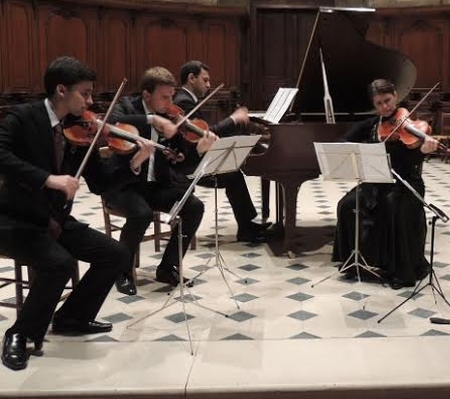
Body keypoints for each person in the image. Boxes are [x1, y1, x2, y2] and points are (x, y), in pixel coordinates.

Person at [0, 56, 134, 371]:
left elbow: (100, 184)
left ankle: (72, 318)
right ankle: (20, 333)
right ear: (61, 90)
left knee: (116, 254)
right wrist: (47, 179)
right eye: (85, 93)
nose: (90, 102)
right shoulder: (23, 117)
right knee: (59, 263)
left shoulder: (78, 131)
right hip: (16, 220)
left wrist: (133, 164)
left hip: (55, 219)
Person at [103, 66, 217, 295]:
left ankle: (167, 267)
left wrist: (199, 151)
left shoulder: (171, 118)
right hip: (123, 186)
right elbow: (109, 123)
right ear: (147, 95)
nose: (170, 103)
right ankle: (122, 271)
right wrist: (151, 119)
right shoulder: (127, 106)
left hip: (155, 186)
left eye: (171, 96)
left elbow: (182, 164)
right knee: (141, 214)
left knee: (194, 207)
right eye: (164, 97)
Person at [332, 79, 440, 289]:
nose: (385, 107)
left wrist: (423, 151)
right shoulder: (371, 125)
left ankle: (398, 269)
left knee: (392, 206)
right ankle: (355, 262)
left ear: (396, 96)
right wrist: (352, 147)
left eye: (388, 100)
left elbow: (411, 161)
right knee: (346, 204)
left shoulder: (410, 125)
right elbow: (343, 141)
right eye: (379, 103)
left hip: (406, 183)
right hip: (377, 183)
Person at [174, 60, 270, 243]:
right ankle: (247, 228)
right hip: (188, 165)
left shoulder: (187, 100)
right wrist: (233, 119)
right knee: (233, 176)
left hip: (195, 159)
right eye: (205, 80)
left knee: (233, 175)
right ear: (191, 78)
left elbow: (205, 133)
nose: (209, 85)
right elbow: (205, 133)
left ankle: (247, 226)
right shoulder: (183, 102)